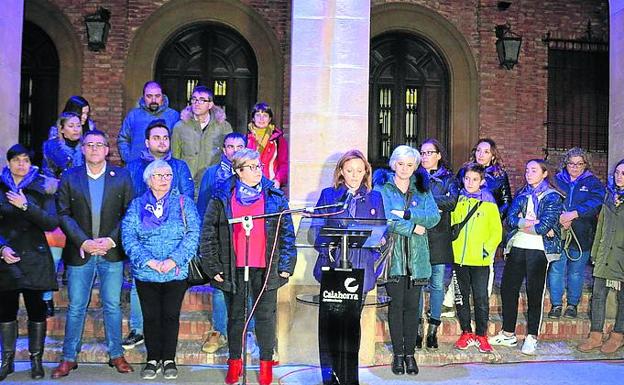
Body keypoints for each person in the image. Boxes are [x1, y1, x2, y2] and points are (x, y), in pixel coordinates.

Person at [201, 149, 296, 385]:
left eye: (259, 166)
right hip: (234, 267)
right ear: (238, 171)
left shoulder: (274, 195)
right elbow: (208, 233)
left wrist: (286, 264)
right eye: (251, 167)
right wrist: (213, 267)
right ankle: (235, 363)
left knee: (265, 317)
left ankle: (265, 367)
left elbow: (286, 233)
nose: (257, 171)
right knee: (236, 318)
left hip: (266, 266)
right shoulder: (222, 195)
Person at [52, 130, 135, 378]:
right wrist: (84, 241)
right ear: (83, 149)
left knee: (112, 305)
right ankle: (68, 357)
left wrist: (110, 240)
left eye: (100, 144)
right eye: (90, 145)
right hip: (81, 252)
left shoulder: (121, 176)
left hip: (111, 251)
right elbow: (63, 213)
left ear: (108, 150)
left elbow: (129, 212)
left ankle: (116, 355)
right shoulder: (70, 177)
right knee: (77, 306)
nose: (95, 149)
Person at [122, 160, 200, 379]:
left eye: (168, 175)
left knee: (170, 316)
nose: (164, 179)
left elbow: (193, 233)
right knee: (151, 317)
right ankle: (152, 359)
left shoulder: (184, 203)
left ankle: (169, 359)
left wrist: (173, 260)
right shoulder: (137, 205)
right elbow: (128, 236)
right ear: (148, 179)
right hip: (147, 272)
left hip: (175, 271)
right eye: (159, 175)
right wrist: (150, 261)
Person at [123, 119, 195, 350]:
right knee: (140, 288)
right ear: (147, 141)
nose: (162, 141)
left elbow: (187, 195)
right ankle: (138, 330)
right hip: (143, 236)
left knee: (169, 310)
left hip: (173, 239)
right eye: (156, 137)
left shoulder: (179, 166)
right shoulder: (134, 167)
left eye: (165, 137)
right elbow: (128, 200)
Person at [373, 145, 440, 376]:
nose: (404, 169)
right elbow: (384, 220)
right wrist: (413, 228)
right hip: (394, 259)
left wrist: (409, 215)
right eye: (400, 164)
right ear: (393, 164)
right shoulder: (382, 187)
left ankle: (410, 355)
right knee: (396, 307)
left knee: (413, 308)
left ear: (416, 166)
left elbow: (433, 217)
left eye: (409, 165)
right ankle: (398, 355)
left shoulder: (422, 188)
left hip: (418, 259)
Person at [490, 159, 563, 355]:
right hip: (518, 246)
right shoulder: (523, 194)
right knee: (508, 288)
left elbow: (544, 227)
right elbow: (511, 220)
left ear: (544, 173)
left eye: (533, 170)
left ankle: (532, 336)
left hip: (538, 250)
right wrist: (531, 223)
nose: (528, 173)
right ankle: (508, 333)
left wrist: (531, 225)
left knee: (534, 292)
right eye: (527, 170)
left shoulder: (553, 197)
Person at [0, 144, 59, 380]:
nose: (21, 165)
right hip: (7, 259)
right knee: (6, 311)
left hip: (35, 257)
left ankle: (36, 360)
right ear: (9, 163)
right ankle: (7, 360)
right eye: (16, 160)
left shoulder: (44, 186)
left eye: (25, 160)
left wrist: (26, 206)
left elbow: (51, 222)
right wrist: (1, 247)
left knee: (36, 310)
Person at [442, 138, 512, 316]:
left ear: (493, 154)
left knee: (485, 269)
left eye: (486, 151)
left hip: (485, 228)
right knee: (460, 269)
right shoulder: (465, 171)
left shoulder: (499, 175)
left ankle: (482, 306)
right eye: (479, 150)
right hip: (465, 230)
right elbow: (456, 196)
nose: (481, 154)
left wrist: (493, 217)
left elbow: (506, 202)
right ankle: (450, 303)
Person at [196, 132, 247, 354]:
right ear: (223, 150)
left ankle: (247, 332)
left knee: (248, 286)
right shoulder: (211, 174)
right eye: (230, 146)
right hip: (220, 239)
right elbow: (203, 207)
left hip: (245, 238)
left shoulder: (252, 173)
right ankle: (219, 332)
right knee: (219, 286)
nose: (234, 150)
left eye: (239, 146)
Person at [313, 149, 386, 293]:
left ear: (366, 171)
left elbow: (383, 230)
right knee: (333, 314)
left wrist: (375, 249)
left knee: (356, 314)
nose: (354, 176)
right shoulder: (328, 195)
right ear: (341, 171)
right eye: (350, 170)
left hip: (363, 264)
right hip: (334, 263)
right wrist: (329, 252)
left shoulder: (375, 197)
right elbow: (315, 229)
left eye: (359, 171)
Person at [451, 162, 502, 354]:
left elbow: (496, 231)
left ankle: (481, 334)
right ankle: (466, 331)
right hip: (459, 259)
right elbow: (451, 224)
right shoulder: (457, 200)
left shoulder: (488, 202)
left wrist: (486, 251)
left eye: (474, 179)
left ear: (482, 181)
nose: (470, 182)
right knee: (461, 298)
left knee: (481, 298)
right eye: (467, 179)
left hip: (480, 261)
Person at [548, 147, 605, 319]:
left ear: (585, 165)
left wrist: (575, 213)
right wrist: (559, 217)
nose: (575, 167)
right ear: (565, 164)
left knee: (576, 271)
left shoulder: (593, 183)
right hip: (559, 232)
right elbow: (548, 200)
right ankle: (556, 304)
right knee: (556, 269)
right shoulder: (556, 180)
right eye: (571, 164)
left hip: (582, 233)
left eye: (579, 164)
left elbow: (597, 202)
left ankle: (572, 304)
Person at [577, 159, 624, 354]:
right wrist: (595, 253)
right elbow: (601, 229)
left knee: (623, 299)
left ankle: (618, 336)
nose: (619, 177)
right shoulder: (608, 197)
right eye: (617, 173)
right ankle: (595, 335)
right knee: (598, 297)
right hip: (604, 255)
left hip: (621, 257)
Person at [42, 111, 85, 316]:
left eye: (79, 125)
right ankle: (46, 299)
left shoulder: (87, 147)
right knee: (54, 254)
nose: (77, 129)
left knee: (76, 247)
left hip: (79, 202)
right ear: (61, 128)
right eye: (72, 125)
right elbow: (52, 174)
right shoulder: (51, 147)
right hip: (57, 202)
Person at [417, 139, 459, 349]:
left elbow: (452, 202)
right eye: (422, 153)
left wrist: (429, 201)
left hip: (440, 235)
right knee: (417, 281)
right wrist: (436, 202)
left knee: (436, 283)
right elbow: (412, 201)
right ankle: (417, 327)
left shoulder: (449, 178)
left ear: (439, 155)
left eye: (429, 153)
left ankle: (433, 328)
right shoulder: (415, 176)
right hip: (419, 234)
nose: (425, 157)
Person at [172, 85, 232, 187]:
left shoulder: (224, 127)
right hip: (187, 182)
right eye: (194, 99)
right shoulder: (180, 127)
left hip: (212, 182)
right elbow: (175, 157)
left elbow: (230, 156)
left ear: (210, 104)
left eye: (202, 100)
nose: (196, 103)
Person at [118, 81, 180, 163]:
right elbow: (123, 139)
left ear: (163, 96)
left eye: (157, 96)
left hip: (164, 169)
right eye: (149, 96)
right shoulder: (133, 115)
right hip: (137, 167)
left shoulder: (173, 116)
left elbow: (179, 142)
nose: (153, 100)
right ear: (143, 97)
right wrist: (129, 159)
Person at [246, 102, 288, 189]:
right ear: (253, 118)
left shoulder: (278, 139)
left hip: (271, 184)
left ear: (269, 119)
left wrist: (278, 180)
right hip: (249, 185)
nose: (261, 119)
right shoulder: (246, 139)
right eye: (258, 115)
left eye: (265, 115)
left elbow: (284, 164)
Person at [42, 112, 84, 178]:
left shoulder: (87, 145)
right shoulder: (51, 147)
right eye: (71, 126)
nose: (76, 129)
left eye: (78, 126)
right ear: (62, 129)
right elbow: (48, 173)